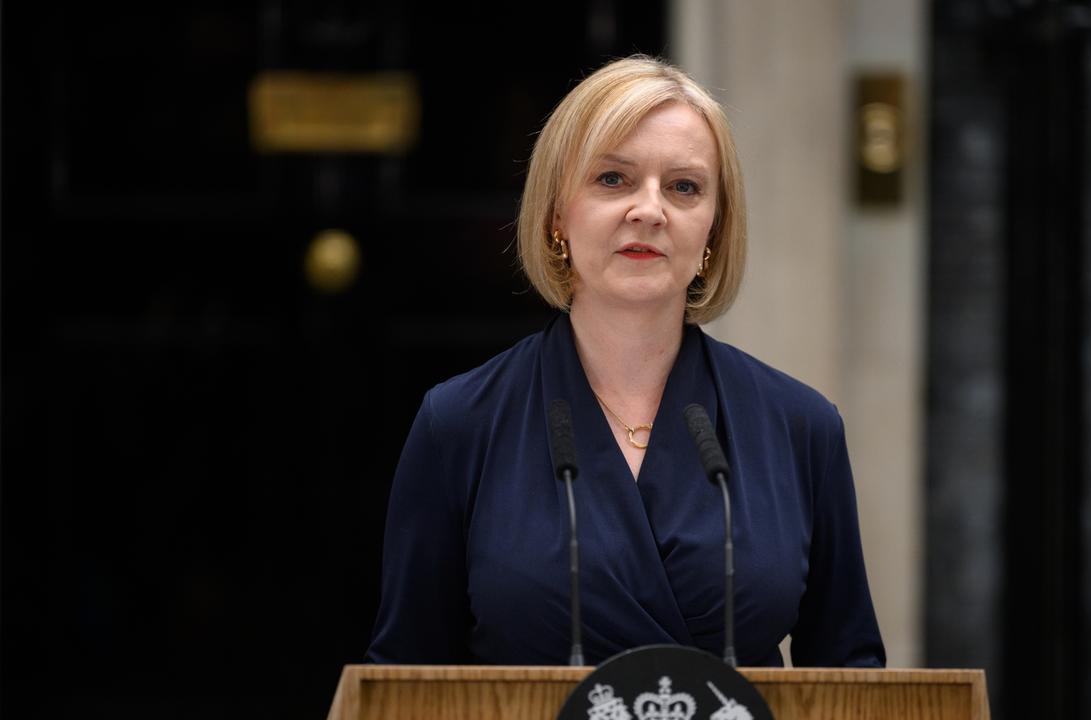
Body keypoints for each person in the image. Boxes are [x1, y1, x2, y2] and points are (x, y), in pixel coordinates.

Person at [367, 55, 884, 668]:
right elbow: (406, 681)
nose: (649, 210)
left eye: (684, 187)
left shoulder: (801, 426)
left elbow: (852, 679)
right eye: (613, 179)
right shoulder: (458, 423)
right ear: (558, 212)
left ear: (713, 227)